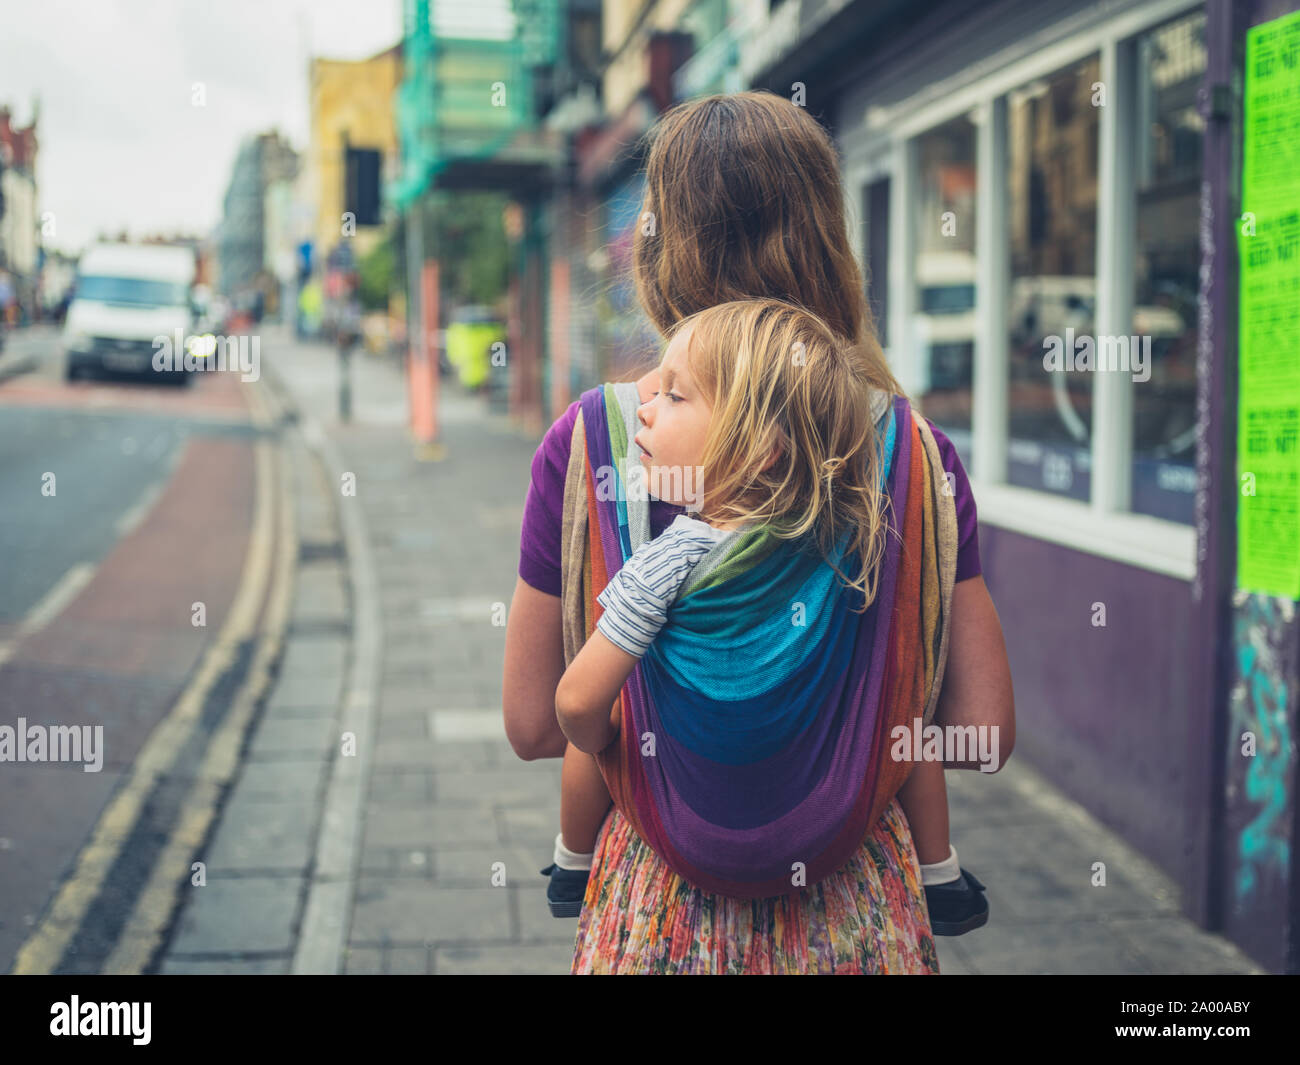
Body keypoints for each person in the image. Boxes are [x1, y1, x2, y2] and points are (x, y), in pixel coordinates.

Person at [503, 91, 1015, 974]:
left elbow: (534, 723)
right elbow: (983, 727)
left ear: (660, 250)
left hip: (654, 907)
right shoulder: (909, 450)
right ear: (828, 239)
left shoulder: (590, 441)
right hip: (857, 912)